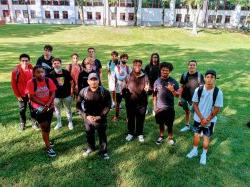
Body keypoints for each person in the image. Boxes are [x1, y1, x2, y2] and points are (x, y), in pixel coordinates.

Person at [186, 70, 223, 165]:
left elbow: (217, 109)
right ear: (205, 78)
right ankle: (194, 151)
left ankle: (204, 154)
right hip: (198, 118)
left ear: (215, 79)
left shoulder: (218, 92)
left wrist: (207, 119)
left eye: (212, 77)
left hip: (210, 120)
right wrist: (202, 118)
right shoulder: (198, 90)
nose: (210, 79)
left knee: (206, 137)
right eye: (208, 77)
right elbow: (195, 104)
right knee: (196, 135)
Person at [77, 73, 111, 159]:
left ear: (98, 81)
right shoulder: (83, 91)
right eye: (91, 80)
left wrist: (100, 116)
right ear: (88, 81)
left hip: (100, 118)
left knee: (102, 134)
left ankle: (103, 151)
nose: (93, 82)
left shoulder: (105, 92)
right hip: (88, 117)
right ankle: (90, 148)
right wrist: (86, 116)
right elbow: (78, 105)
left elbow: (108, 105)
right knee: (89, 133)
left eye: (95, 79)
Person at [26, 65, 57, 157]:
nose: (41, 74)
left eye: (42, 72)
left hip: (49, 106)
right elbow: (32, 97)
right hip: (38, 108)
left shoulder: (48, 80)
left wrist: (49, 103)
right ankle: (48, 147)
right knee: (44, 126)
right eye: (38, 72)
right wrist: (44, 104)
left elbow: (53, 92)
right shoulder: (31, 82)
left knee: (48, 125)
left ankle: (47, 139)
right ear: (34, 73)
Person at [123, 59, 149, 143]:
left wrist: (148, 89)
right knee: (130, 118)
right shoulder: (128, 76)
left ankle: (139, 133)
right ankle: (130, 133)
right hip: (130, 102)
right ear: (132, 66)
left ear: (141, 66)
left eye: (139, 65)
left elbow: (149, 89)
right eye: (135, 65)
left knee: (140, 118)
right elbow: (123, 90)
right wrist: (126, 94)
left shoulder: (145, 76)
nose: (137, 67)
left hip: (142, 103)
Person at [153, 62, 179, 145]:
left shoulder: (173, 81)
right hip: (159, 107)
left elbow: (177, 95)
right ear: (160, 70)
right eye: (163, 70)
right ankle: (161, 136)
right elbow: (154, 95)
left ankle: (170, 138)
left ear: (170, 71)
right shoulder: (157, 81)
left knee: (169, 124)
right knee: (161, 123)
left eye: (167, 70)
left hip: (169, 107)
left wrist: (172, 90)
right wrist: (154, 106)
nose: (165, 72)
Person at [11, 54, 38, 130]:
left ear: (29, 61)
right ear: (20, 61)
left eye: (26, 60)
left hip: (31, 94)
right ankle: (22, 123)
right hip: (21, 94)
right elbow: (13, 84)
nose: (25, 62)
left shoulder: (31, 68)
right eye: (23, 61)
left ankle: (34, 123)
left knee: (33, 109)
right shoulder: (16, 70)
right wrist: (17, 95)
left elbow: (34, 81)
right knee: (22, 109)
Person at [179, 60, 204, 132]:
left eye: (194, 65)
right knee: (187, 111)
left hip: (195, 99)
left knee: (196, 113)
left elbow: (202, 88)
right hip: (184, 97)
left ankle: (197, 127)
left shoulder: (199, 75)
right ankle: (187, 125)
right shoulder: (184, 75)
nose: (192, 66)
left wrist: (200, 99)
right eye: (190, 65)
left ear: (196, 66)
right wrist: (180, 98)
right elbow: (181, 87)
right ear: (188, 66)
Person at [48, 58, 74, 130]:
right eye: (54, 63)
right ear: (52, 65)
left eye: (58, 63)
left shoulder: (66, 72)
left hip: (67, 95)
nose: (56, 65)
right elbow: (49, 86)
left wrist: (71, 90)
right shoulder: (51, 74)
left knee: (68, 109)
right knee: (57, 110)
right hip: (56, 96)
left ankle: (70, 122)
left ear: (60, 64)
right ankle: (59, 123)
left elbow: (71, 82)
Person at [112, 53, 131, 121]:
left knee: (128, 103)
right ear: (120, 59)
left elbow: (131, 77)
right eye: (123, 58)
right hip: (118, 88)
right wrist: (126, 76)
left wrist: (127, 79)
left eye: (126, 58)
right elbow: (118, 77)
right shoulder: (117, 67)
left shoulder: (128, 68)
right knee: (118, 103)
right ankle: (116, 116)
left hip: (127, 88)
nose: (124, 59)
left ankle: (128, 117)